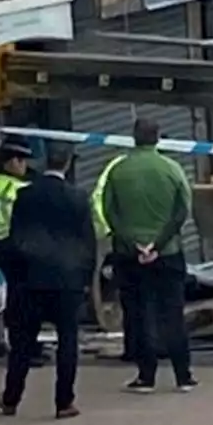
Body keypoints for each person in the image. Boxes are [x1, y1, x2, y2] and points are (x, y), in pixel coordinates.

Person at [0, 143, 95, 419]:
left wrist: (16, 277)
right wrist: (86, 279)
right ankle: (64, 402)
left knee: (23, 343)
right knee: (68, 340)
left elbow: (15, 239)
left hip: (31, 280)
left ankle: (11, 398)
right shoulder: (77, 198)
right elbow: (88, 243)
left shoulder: (25, 195)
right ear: (67, 165)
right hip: (67, 281)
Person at [103, 117, 198, 394]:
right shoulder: (172, 169)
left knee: (139, 314)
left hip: (128, 255)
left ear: (133, 137)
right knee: (173, 313)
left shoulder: (118, 171)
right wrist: (158, 244)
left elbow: (109, 212)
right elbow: (182, 209)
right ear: (157, 137)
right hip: (167, 253)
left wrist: (135, 244)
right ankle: (183, 375)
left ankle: (146, 376)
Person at [0, 141, 45, 363]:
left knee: (17, 300)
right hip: (20, 250)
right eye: (21, 161)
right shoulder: (16, 189)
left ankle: (25, 346)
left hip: (3, 247)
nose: (24, 166)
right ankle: (26, 349)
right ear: (10, 162)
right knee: (25, 303)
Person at [91, 152, 136, 362]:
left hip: (114, 230)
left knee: (116, 278)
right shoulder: (123, 168)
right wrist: (111, 229)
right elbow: (102, 200)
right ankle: (108, 321)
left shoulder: (121, 165)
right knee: (112, 278)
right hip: (110, 233)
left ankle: (115, 322)